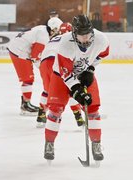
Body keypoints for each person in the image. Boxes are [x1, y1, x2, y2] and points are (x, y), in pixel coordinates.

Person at [43, 15, 109, 162]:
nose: (86, 39)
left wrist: (90, 69)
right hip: (60, 76)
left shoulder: (101, 39)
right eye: (81, 35)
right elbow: (65, 73)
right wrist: (76, 89)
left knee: (93, 109)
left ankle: (96, 144)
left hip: (84, 73)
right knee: (55, 110)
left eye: (88, 34)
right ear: (74, 34)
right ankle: (49, 143)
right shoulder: (65, 43)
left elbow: (103, 54)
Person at [7, 17, 63, 116]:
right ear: (53, 28)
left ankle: (25, 103)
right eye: (57, 30)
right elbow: (35, 56)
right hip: (19, 51)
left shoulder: (43, 30)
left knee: (28, 79)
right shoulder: (44, 37)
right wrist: (44, 68)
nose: (58, 33)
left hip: (19, 49)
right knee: (28, 79)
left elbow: (35, 56)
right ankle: (25, 106)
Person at [37, 22, 85, 128]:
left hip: (44, 63)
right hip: (57, 62)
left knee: (47, 90)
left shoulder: (53, 39)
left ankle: (41, 116)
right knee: (70, 87)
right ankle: (79, 118)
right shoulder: (72, 39)